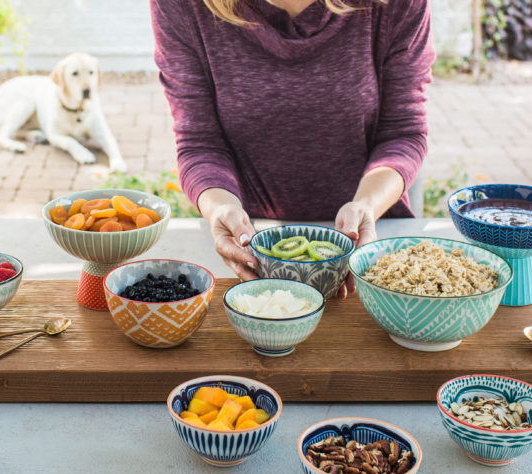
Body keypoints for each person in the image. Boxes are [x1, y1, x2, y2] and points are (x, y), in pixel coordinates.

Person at [150, 0, 434, 296]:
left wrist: (367, 206)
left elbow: (402, 132)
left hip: (369, 246)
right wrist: (222, 209)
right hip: (251, 250)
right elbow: (201, 143)